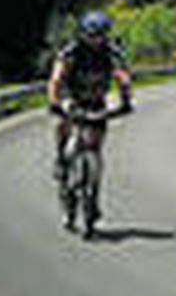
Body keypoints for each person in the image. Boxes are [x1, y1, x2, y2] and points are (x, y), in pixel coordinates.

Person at [46, 10, 133, 189]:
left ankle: (92, 192)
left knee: (95, 140)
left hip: (96, 98)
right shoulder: (71, 51)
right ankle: (61, 160)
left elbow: (123, 77)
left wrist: (125, 101)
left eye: (101, 35)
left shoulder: (111, 51)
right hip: (71, 95)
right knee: (64, 124)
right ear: (83, 33)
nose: (96, 40)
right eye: (92, 35)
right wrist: (55, 102)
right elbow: (56, 78)